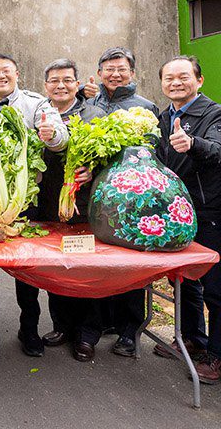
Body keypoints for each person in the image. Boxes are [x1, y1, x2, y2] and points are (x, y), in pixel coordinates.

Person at [0, 53, 68, 358]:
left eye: (6, 71)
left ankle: (29, 330)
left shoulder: (36, 104)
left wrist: (51, 137)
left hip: (24, 201)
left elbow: (60, 137)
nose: (0, 76)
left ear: (17, 74)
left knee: (25, 269)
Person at [82, 47, 159, 359]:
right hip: (95, 197)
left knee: (129, 265)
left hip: (131, 199)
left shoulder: (145, 107)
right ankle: (97, 324)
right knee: (96, 264)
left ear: (132, 73)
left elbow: (154, 152)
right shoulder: (89, 103)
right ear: (99, 73)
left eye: (121, 69)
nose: (115, 74)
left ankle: (129, 329)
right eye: (109, 69)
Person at [154, 55, 221, 384]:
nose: (175, 83)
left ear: (199, 80)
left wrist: (193, 144)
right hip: (177, 212)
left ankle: (218, 356)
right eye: (169, 78)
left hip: (210, 212)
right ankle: (194, 338)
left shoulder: (214, 113)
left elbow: (218, 150)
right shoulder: (164, 115)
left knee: (216, 287)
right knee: (184, 280)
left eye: (182, 77)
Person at [36, 58, 105, 362]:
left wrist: (94, 170)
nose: (60, 85)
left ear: (77, 84)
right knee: (57, 267)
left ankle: (87, 334)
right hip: (48, 202)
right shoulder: (38, 114)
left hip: (83, 204)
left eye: (66, 80)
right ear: (45, 85)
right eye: (54, 80)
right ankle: (61, 325)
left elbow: (111, 157)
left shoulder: (94, 114)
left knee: (86, 269)